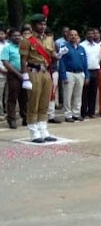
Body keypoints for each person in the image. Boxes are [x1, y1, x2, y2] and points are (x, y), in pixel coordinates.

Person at [19, 12, 57, 142]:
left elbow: (53, 55)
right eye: (40, 24)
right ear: (34, 25)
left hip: (46, 72)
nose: (43, 26)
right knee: (33, 102)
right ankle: (33, 131)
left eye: (44, 24)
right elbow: (23, 60)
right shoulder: (27, 40)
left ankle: (44, 130)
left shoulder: (49, 39)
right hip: (33, 72)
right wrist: (25, 77)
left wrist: (60, 54)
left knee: (44, 102)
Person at [59, 29, 89, 122]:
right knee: (68, 95)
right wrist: (63, 76)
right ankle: (68, 115)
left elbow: (85, 63)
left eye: (75, 35)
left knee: (78, 95)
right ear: (68, 36)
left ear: (78, 36)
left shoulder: (81, 48)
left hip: (80, 74)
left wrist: (87, 76)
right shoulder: (64, 47)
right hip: (69, 73)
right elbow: (62, 62)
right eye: (71, 35)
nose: (73, 37)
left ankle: (76, 113)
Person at [1, 28, 27, 129]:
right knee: (12, 98)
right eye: (14, 36)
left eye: (18, 35)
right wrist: (18, 74)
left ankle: (25, 118)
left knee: (24, 98)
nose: (17, 37)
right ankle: (11, 119)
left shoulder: (23, 47)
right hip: (13, 75)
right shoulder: (7, 48)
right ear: (10, 37)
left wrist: (25, 73)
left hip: (25, 74)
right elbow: (6, 63)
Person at [80, 28, 101, 119]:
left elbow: (99, 58)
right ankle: (83, 112)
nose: (91, 35)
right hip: (86, 71)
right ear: (85, 35)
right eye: (89, 33)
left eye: (92, 33)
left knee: (93, 92)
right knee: (84, 93)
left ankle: (91, 112)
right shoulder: (82, 45)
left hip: (95, 70)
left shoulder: (97, 46)